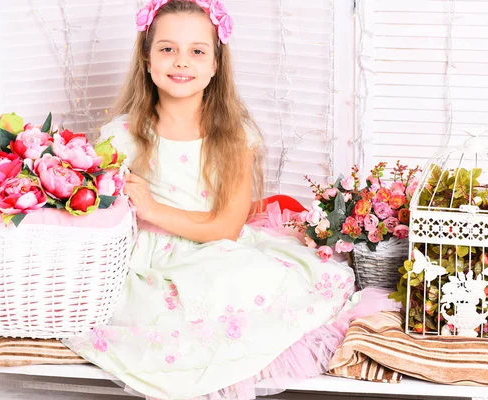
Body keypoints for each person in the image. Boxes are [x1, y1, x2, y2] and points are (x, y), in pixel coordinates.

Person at [62, 1, 397, 399]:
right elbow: (98, 214)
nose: (181, 62)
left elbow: (227, 226)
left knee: (243, 277)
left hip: (214, 244)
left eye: (197, 51)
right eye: (167, 49)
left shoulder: (234, 134)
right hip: (152, 260)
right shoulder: (121, 135)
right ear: (147, 59)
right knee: (150, 306)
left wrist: (152, 208)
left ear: (216, 64)